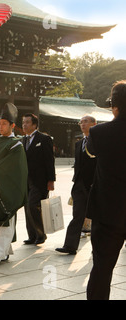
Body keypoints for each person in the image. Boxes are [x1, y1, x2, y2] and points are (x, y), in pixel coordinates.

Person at [86, 80, 126, 300]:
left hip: (108, 211)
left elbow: (91, 152)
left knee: (102, 269)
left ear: (114, 105)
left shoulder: (99, 133)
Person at [0, 103, 28, 268]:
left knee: (2, 224)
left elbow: (11, 167)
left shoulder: (16, 144)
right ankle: (2, 252)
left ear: (12, 125)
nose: (0, 127)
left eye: (4, 124)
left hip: (4, 188)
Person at [56, 115, 97, 255]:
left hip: (94, 186)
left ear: (94, 124)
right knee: (77, 216)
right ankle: (70, 246)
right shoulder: (79, 143)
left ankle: (97, 248)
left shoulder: (99, 141)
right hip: (79, 186)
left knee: (97, 219)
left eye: (86, 121)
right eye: (81, 122)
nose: (82, 124)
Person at [22, 113, 56, 245]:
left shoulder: (44, 138)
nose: (24, 125)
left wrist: (51, 180)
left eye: (27, 122)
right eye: (23, 122)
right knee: (27, 207)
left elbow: (49, 160)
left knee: (32, 205)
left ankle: (41, 234)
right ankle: (31, 236)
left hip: (40, 180)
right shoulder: (23, 140)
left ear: (34, 125)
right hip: (26, 180)